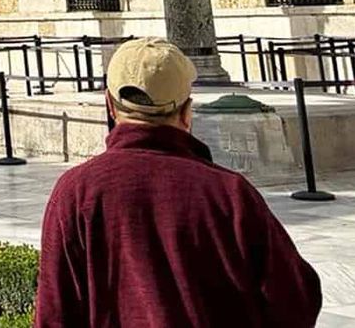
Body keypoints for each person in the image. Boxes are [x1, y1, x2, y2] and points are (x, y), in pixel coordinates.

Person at [34, 36, 322, 328]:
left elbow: (55, 315)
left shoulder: (75, 193)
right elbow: (296, 300)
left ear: (109, 105)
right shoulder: (229, 195)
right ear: (186, 112)